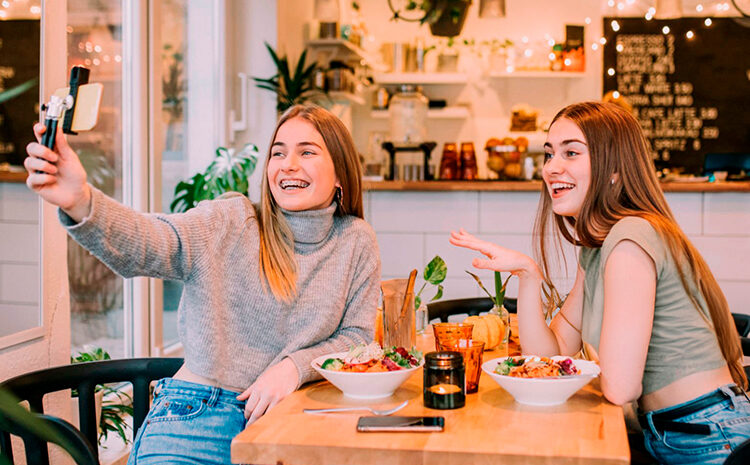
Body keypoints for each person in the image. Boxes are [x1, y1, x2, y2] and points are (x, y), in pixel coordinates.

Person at [24, 104, 381, 464]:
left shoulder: (355, 240)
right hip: (196, 416)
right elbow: (152, 241)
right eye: (278, 152)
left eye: (307, 151)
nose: (287, 164)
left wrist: (292, 368)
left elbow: (357, 336)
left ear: (340, 173)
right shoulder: (231, 221)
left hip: (291, 420)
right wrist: (82, 201)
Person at [450, 101, 749, 464]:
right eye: (549, 154)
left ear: (614, 170)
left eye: (570, 152)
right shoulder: (598, 247)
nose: (551, 168)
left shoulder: (628, 239)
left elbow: (621, 387)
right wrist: (528, 276)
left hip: (710, 439)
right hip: (677, 434)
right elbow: (552, 352)